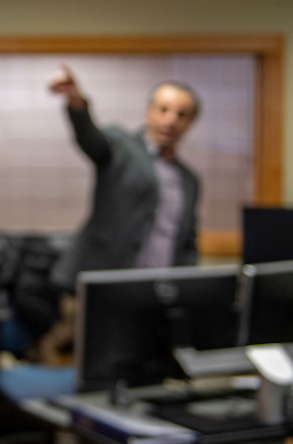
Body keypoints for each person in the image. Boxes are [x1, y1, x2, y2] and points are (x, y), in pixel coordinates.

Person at [47, 65, 202, 292]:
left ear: (190, 122)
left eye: (181, 114)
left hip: (154, 292)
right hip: (100, 284)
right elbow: (91, 139)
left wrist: (187, 287)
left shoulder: (190, 180)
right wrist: (76, 101)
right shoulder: (121, 147)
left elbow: (187, 241)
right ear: (148, 112)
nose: (170, 120)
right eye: (164, 110)